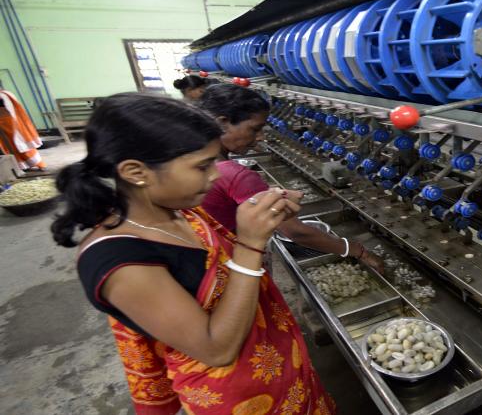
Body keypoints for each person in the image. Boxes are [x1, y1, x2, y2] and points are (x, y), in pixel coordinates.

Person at [51, 93, 335, 415]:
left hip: (281, 374)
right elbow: (216, 349)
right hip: (240, 401)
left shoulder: (178, 212)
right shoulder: (120, 262)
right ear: (135, 172)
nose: (215, 174)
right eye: (202, 165)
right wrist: (250, 242)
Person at [197, 84, 384, 272]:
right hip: (237, 263)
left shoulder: (196, 162)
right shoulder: (236, 175)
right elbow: (296, 232)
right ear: (221, 123)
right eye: (255, 129)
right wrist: (358, 251)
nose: (261, 137)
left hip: (212, 259)